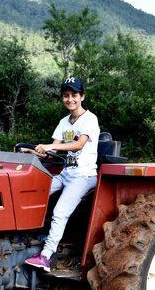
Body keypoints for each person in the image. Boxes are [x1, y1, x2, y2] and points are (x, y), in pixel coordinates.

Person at [24, 77, 100, 272]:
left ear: (82, 96)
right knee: (36, 192)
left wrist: (51, 146)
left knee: (60, 211)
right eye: (66, 96)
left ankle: (46, 256)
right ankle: (34, 235)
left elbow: (79, 144)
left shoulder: (90, 119)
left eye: (74, 95)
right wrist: (32, 151)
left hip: (84, 176)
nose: (70, 99)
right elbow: (54, 150)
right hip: (67, 174)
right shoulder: (64, 122)